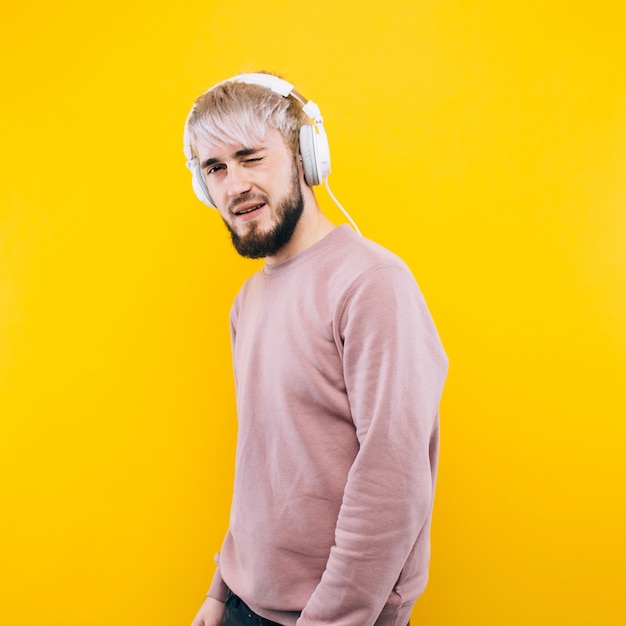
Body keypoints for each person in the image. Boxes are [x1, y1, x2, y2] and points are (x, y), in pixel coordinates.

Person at [184, 72, 448, 626]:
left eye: (250, 157)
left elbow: (393, 479)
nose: (233, 187)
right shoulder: (247, 300)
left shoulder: (372, 282)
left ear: (307, 156)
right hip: (241, 603)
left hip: (327, 616)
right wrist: (220, 589)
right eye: (215, 168)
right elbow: (262, 462)